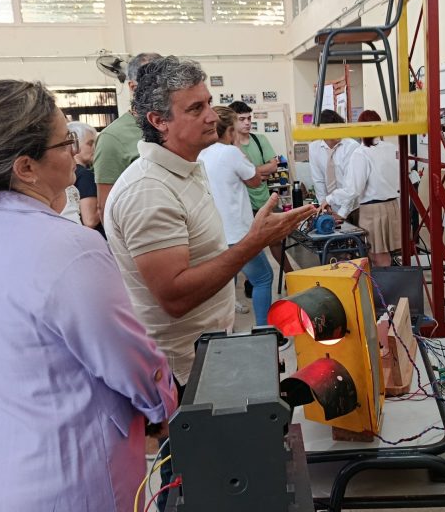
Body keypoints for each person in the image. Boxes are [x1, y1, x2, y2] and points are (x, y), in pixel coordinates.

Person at [0, 79, 177, 511]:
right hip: (66, 477)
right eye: (65, 141)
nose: (74, 151)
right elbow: (129, 362)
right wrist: (164, 405)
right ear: (25, 167)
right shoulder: (69, 249)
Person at [104, 57, 315, 509]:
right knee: (189, 482)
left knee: (219, 476)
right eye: (195, 108)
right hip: (179, 371)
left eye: (209, 102)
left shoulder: (188, 167)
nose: (210, 116)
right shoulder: (149, 191)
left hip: (206, 352)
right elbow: (175, 296)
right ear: (159, 121)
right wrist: (254, 242)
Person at [200, 106, 273, 326]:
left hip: (214, 233)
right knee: (263, 278)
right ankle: (264, 329)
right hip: (238, 233)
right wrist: (239, 150)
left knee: (224, 283)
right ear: (230, 130)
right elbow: (255, 181)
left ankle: (225, 330)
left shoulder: (201, 154)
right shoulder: (231, 153)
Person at [324, 110, 401, 267]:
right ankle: (387, 281)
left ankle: (383, 283)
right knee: (385, 254)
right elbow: (406, 169)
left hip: (373, 210)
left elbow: (353, 190)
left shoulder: (361, 153)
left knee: (377, 256)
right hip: (393, 206)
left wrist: (329, 199)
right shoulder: (392, 148)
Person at [93, 52, 161, 221]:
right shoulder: (112, 138)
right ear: (133, 87)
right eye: (152, 82)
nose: (161, 90)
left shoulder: (174, 125)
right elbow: (106, 208)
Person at [229, 100, 292, 278]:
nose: (247, 122)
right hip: (243, 205)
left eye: (249, 118)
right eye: (242, 119)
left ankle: (291, 276)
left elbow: (273, 166)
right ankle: (251, 281)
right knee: (248, 247)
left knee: (276, 241)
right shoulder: (229, 147)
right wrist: (258, 173)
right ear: (232, 121)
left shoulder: (259, 139)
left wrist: (250, 173)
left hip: (264, 200)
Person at [308, 109, 360, 223]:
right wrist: (324, 205)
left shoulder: (352, 147)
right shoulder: (314, 148)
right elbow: (318, 180)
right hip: (330, 207)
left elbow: (351, 185)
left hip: (351, 208)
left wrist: (342, 213)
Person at [68, 120, 104, 234]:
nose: (94, 148)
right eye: (90, 143)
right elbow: (90, 220)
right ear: (74, 145)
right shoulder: (85, 175)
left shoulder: (68, 173)